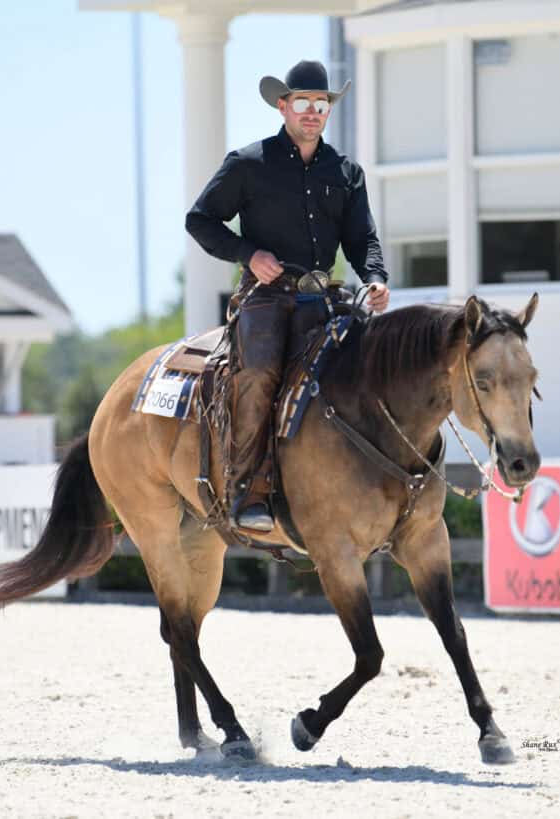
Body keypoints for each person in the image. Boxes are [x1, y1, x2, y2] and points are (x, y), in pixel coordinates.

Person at [186, 59, 390, 532]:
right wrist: (248, 253)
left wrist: (374, 277)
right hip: (265, 296)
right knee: (258, 377)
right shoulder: (248, 164)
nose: (313, 112)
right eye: (303, 103)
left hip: (324, 299)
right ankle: (250, 490)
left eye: (321, 104)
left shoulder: (346, 172)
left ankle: (372, 484)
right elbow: (200, 220)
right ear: (283, 106)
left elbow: (364, 240)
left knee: (374, 371)